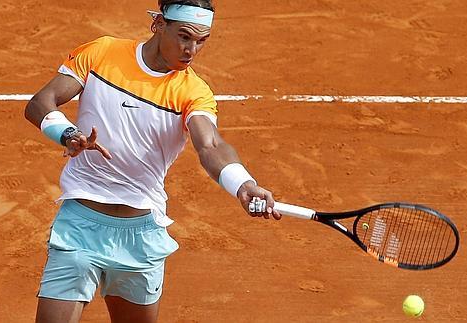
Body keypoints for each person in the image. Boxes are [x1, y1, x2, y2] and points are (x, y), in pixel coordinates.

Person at [24, 0, 281, 322]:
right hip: (79, 225)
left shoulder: (194, 92)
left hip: (141, 236)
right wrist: (67, 134)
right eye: (185, 36)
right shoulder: (101, 53)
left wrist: (243, 183)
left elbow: (210, 144)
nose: (191, 50)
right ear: (158, 24)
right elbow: (40, 103)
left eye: (202, 41)